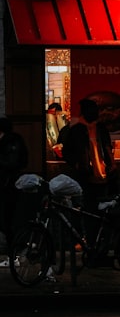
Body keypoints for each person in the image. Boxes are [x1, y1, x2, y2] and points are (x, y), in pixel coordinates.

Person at [59, 98, 116, 237]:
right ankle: (90, 240)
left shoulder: (101, 129)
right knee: (90, 211)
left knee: (104, 212)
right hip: (87, 177)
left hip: (104, 177)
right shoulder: (77, 130)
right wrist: (78, 165)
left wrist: (111, 165)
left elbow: (107, 148)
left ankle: (100, 241)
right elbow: (67, 152)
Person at [0, 117, 29, 265]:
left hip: (13, 188)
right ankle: (18, 249)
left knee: (6, 222)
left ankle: (17, 252)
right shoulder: (4, 145)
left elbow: (11, 165)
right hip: (7, 187)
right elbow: (2, 171)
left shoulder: (11, 144)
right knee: (2, 221)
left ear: (1, 131)